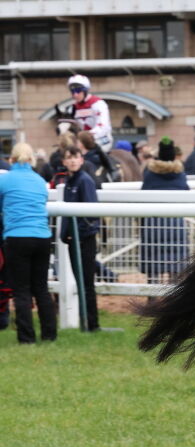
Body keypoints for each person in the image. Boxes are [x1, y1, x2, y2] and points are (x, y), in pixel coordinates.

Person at [0, 142, 58, 344]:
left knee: (21, 290)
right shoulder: (39, 180)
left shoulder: (5, 180)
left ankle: (26, 337)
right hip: (42, 236)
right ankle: (49, 334)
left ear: (12, 159)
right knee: (41, 288)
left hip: (17, 237)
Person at [59, 146, 101, 332]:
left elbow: (91, 213)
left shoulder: (84, 181)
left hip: (84, 239)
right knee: (81, 282)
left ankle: (92, 324)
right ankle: (87, 323)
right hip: (74, 239)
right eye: (69, 157)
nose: (73, 160)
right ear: (64, 161)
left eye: (75, 157)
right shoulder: (70, 182)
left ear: (81, 159)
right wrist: (66, 234)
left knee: (87, 284)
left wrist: (76, 232)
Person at [141, 138, 190, 284]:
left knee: (153, 264)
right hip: (176, 223)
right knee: (176, 265)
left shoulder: (149, 174)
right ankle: (174, 295)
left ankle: (152, 294)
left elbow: (143, 196)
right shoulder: (180, 174)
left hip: (153, 224)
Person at [67, 74, 112, 153]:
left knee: (92, 155)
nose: (75, 94)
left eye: (78, 91)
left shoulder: (98, 104)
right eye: (72, 91)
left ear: (85, 90)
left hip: (101, 138)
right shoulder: (72, 108)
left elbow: (103, 126)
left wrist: (86, 136)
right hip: (82, 141)